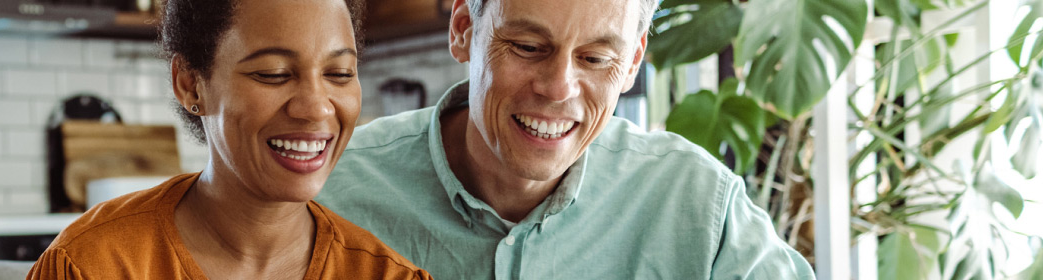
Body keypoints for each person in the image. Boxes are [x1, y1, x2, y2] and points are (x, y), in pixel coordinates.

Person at [313, 0, 816, 278]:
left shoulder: (699, 205)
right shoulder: (330, 191)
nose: (557, 88)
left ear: (633, 62)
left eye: (596, 59)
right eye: (528, 47)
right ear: (465, 29)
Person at [26, 0, 431, 279]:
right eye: (273, 73)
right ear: (191, 85)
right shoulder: (91, 266)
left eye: (339, 74)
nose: (317, 108)